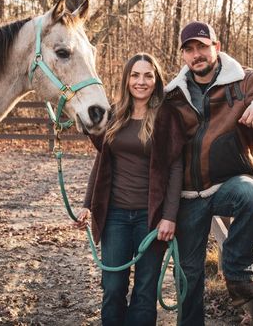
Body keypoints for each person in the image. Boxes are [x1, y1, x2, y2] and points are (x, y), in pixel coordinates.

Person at [165, 21, 253, 325]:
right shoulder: (173, 94)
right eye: (189, 49)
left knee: (250, 192)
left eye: (202, 47)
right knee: (188, 273)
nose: (197, 54)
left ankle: (237, 276)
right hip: (187, 194)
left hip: (227, 184)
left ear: (216, 47)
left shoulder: (243, 80)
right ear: (184, 56)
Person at [75, 53, 185, 326]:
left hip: (151, 218)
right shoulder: (113, 114)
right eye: (135, 75)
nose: (141, 81)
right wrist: (87, 204)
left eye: (148, 75)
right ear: (126, 79)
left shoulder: (166, 116)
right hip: (115, 216)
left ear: (156, 80)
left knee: (145, 291)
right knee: (112, 287)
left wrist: (169, 216)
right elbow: (102, 162)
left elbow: (175, 168)